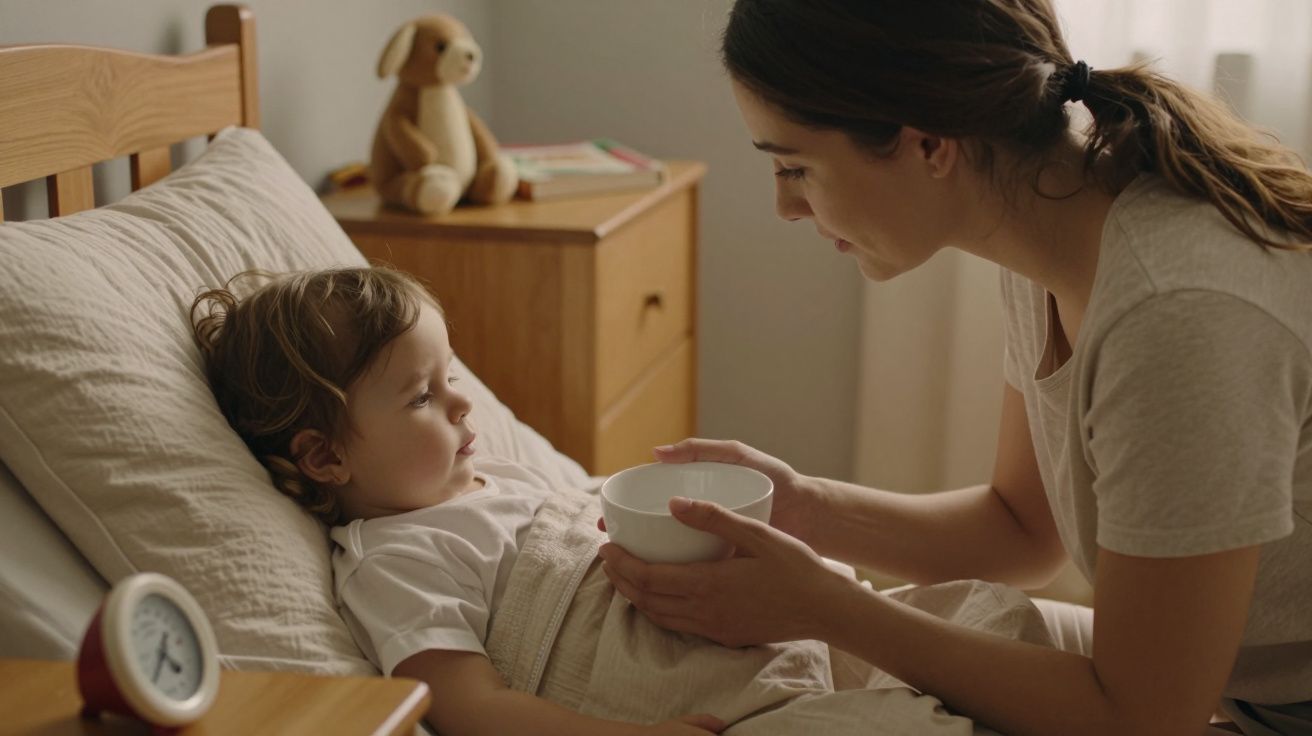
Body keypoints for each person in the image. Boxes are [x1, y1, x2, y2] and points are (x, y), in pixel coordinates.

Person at [598, 2, 1312, 735]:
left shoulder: (1174, 312)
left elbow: (1143, 719)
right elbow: (1020, 528)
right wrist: (803, 508)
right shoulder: (1056, 229)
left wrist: (827, 608)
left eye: (795, 167)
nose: (785, 206)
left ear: (929, 145)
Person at [191, 266, 1047, 736]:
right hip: (701, 701)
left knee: (989, 620)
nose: (461, 402)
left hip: (757, 634)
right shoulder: (396, 561)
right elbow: (471, 709)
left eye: (449, 376)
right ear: (325, 456)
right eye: (421, 396)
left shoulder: (500, 479)